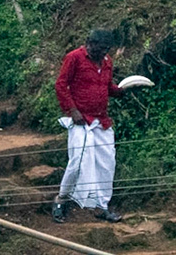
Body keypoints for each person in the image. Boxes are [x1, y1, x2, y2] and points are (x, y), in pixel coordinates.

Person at [54, 30, 133, 224]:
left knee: (107, 163)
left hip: (101, 120)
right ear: (89, 43)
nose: (103, 52)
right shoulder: (74, 58)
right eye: (99, 48)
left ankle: (102, 205)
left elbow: (106, 87)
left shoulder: (107, 62)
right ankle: (61, 199)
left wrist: (120, 91)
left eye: (106, 49)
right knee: (79, 160)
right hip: (81, 120)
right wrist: (72, 110)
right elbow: (61, 85)